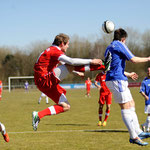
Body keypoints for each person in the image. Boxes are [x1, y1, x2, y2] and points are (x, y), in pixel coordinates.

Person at [32, 33, 107, 131]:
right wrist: (91, 61)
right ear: (62, 43)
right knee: (71, 64)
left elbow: (65, 63)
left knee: (66, 106)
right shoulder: (55, 51)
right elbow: (71, 62)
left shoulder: (51, 50)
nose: (68, 46)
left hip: (44, 83)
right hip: (44, 79)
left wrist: (76, 72)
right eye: (67, 44)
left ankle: (38, 115)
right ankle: (103, 65)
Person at [104, 28, 150, 146]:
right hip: (117, 80)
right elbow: (133, 59)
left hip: (116, 79)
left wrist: (128, 74)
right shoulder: (119, 44)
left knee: (131, 103)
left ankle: (138, 131)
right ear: (123, 39)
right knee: (125, 106)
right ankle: (133, 136)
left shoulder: (109, 47)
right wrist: (148, 59)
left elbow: (109, 67)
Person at [140, 67, 150, 132]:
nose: (149, 72)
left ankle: (144, 125)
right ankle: (147, 129)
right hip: (149, 101)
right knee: (149, 114)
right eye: (148, 71)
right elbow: (141, 91)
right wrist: (145, 96)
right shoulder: (144, 81)